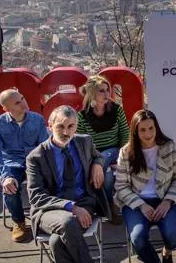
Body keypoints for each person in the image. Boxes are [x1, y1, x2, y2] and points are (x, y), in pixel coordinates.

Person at [26, 105, 109, 263]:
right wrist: (71, 207)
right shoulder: (35, 157)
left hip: (84, 201)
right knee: (68, 222)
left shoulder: (84, 141)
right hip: (49, 210)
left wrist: (97, 164)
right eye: (60, 126)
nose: (66, 132)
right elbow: (36, 196)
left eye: (71, 126)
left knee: (56, 242)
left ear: (76, 126)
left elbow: (98, 156)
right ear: (50, 126)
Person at [115, 110, 176, 263]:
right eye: (143, 130)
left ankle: (167, 250)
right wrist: (141, 205)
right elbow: (121, 186)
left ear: (156, 127)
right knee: (138, 239)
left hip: (165, 200)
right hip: (137, 203)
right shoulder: (126, 152)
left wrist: (168, 201)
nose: (148, 133)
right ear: (135, 131)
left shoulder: (169, 146)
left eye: (151, 128)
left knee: (174, 238)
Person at [0, 89, 49, 242]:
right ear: (6, 108)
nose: (23, 103)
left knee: (47, 180)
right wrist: (5, 176)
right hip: (11, 163)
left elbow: (44, 147)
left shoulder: (38, 119)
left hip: (34, 160)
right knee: (9, 187)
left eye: (22, 98)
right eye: (17, 102)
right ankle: (19, 221)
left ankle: (45, 218)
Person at [77, 75, 129, 221]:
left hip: (115, 151)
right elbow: (81, 143)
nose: (107, 94)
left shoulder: (116, 110)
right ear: (92, 93)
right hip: (93, 155)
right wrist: (95, 161)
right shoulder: (82, 116)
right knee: (106, 177)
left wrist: (121, 157)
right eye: (101, 91)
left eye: (107, 90)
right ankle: (108, 206)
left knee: (105, 157)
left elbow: (125, 135)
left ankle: (96, 203)